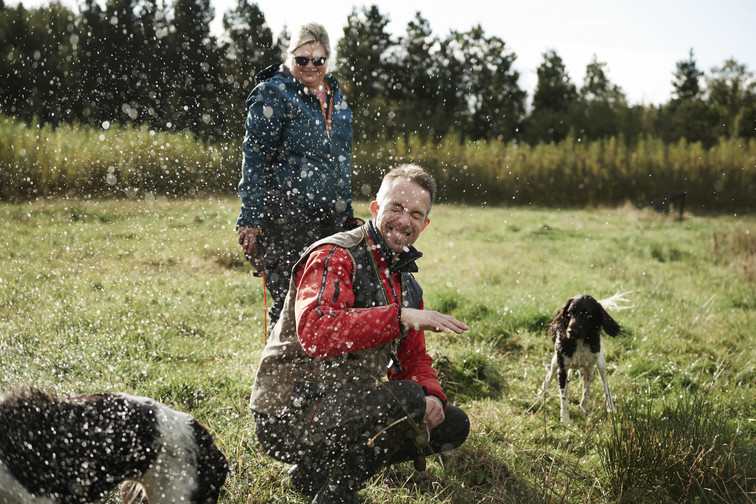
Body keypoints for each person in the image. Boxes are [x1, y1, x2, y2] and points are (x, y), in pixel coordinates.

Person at [249, 164, 470, 504]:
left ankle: (314, 473)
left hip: (346, 407)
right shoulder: (335, 255)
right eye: (396, 207)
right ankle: (335, 495)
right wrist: (399, 317)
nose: (404, 221)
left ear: (424, 224)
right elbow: (317, 330)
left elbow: (413, 358)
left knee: (451, 423)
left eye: (415, 214)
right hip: (286, 414)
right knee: (407, 398)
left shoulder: (407, 285)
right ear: (376, 208)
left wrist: (432, 396)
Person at [235, 22, 357, 327]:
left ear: (329, 59)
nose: (310, 66)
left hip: (329, 215)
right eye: (302, 59)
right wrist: (251, 218)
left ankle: (319, 370)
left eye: (319, 60)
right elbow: (254, 157)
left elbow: (343, 162)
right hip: (286, 213)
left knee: (327, 295)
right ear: (290, 57)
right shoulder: (273, 93)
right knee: (291, 296)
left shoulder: (338, 101)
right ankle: (278, 370)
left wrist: (347, 212)